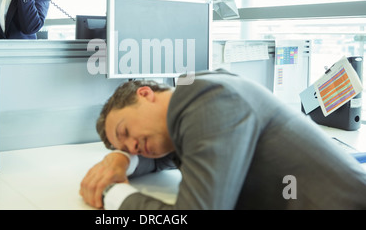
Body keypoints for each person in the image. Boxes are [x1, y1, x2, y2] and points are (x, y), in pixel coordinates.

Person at [80, 69, 366, 209]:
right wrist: (121, 159)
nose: (132, 146)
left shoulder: (206, 99)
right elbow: (165, 156)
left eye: (125, 133)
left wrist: (114, 194)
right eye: (127, 146)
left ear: (144, 94)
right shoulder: (195, 91)